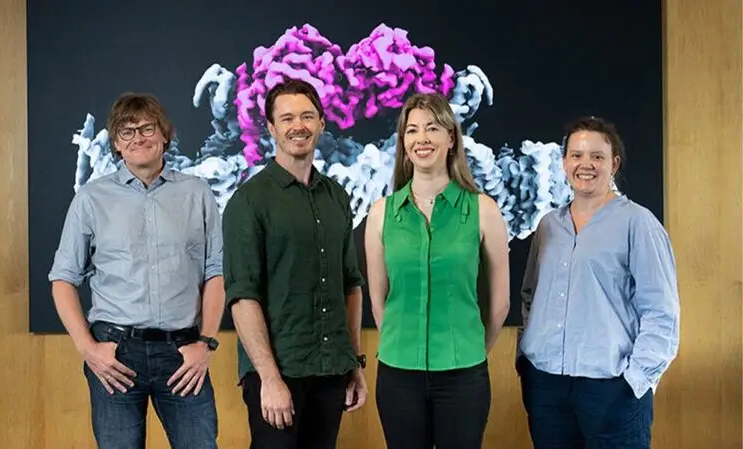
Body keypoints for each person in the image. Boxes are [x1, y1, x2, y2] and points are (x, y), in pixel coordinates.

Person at [48, 92, 224, 449]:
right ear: (115, 142)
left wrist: (204, 343)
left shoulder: (197, 193)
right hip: (116, 356)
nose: (138, 138)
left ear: (164, 134)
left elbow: (215, 273)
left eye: (147, 128)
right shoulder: (91, 199)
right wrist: (88, 349)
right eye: (127, 132)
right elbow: (63, 280)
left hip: (183, 354)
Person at [517, 116, 680, 449]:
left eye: (597, 156)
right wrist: (526, 357)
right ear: (564, 163)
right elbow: (530, 296)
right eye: (576, 155)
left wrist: (635, 381)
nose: (585, 164)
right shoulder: (548, 225)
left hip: (612, 388)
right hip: (546, 386)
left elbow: (662, 312)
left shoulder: (638, 223)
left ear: (613, 164)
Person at [222, 78, 368, 449]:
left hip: (330, 370)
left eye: (307, 116)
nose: (298, 126)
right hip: (278, 375)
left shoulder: (336, 196)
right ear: (271, 128)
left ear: (321, 122)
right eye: (287, 118)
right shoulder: (249, 201)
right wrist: (269, 378)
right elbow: (242, 297)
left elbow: (350, 284)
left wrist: (353, 363)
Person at [364, 92, 511, 449]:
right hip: (398, 376)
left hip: (463, 377)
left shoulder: (484, 210)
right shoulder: (381, 213)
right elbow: (379, 301)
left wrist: (469, 350)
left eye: (432, 128)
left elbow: (500, 304)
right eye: (412, 131)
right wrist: (405, 346)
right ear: (403, 143)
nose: (422, 138)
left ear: (451, 139)